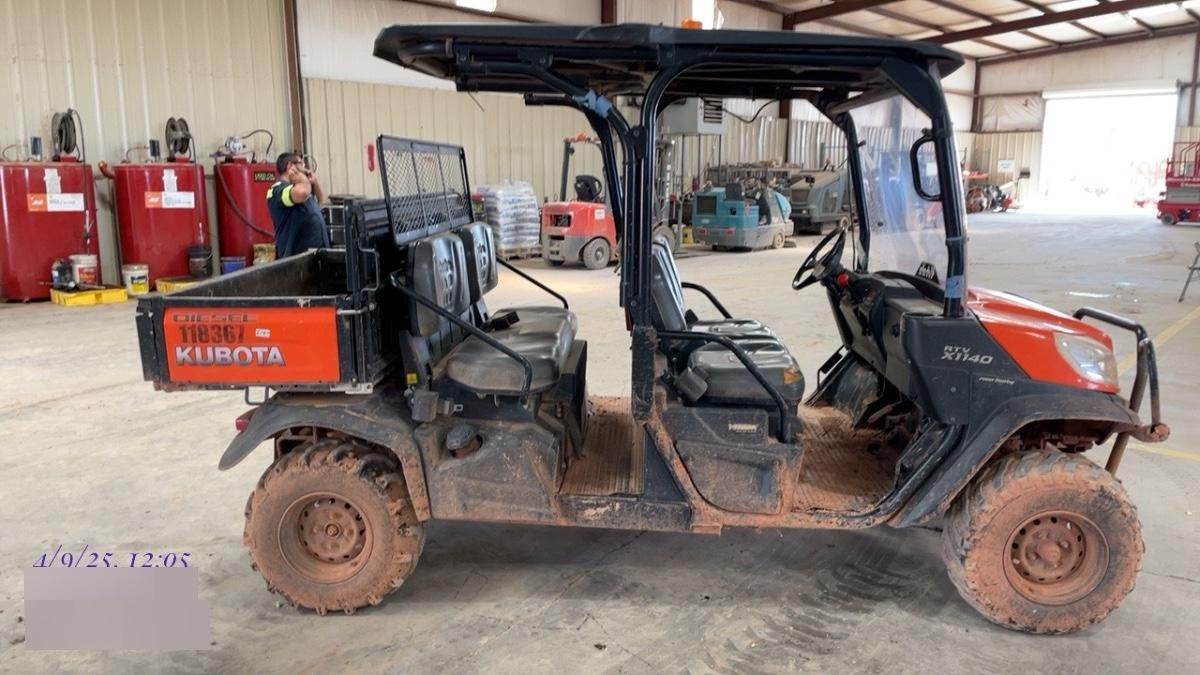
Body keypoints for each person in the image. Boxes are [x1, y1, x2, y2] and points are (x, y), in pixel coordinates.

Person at [267, 152, 329, 258]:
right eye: (301, 164)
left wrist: (314, 182)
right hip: (297, 259)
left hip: (316, 256)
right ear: (290, 166)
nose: (305, 168)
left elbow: (322, 199)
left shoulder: (300, 185)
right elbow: (303, 193)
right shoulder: (277, 189)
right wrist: (303, 179)